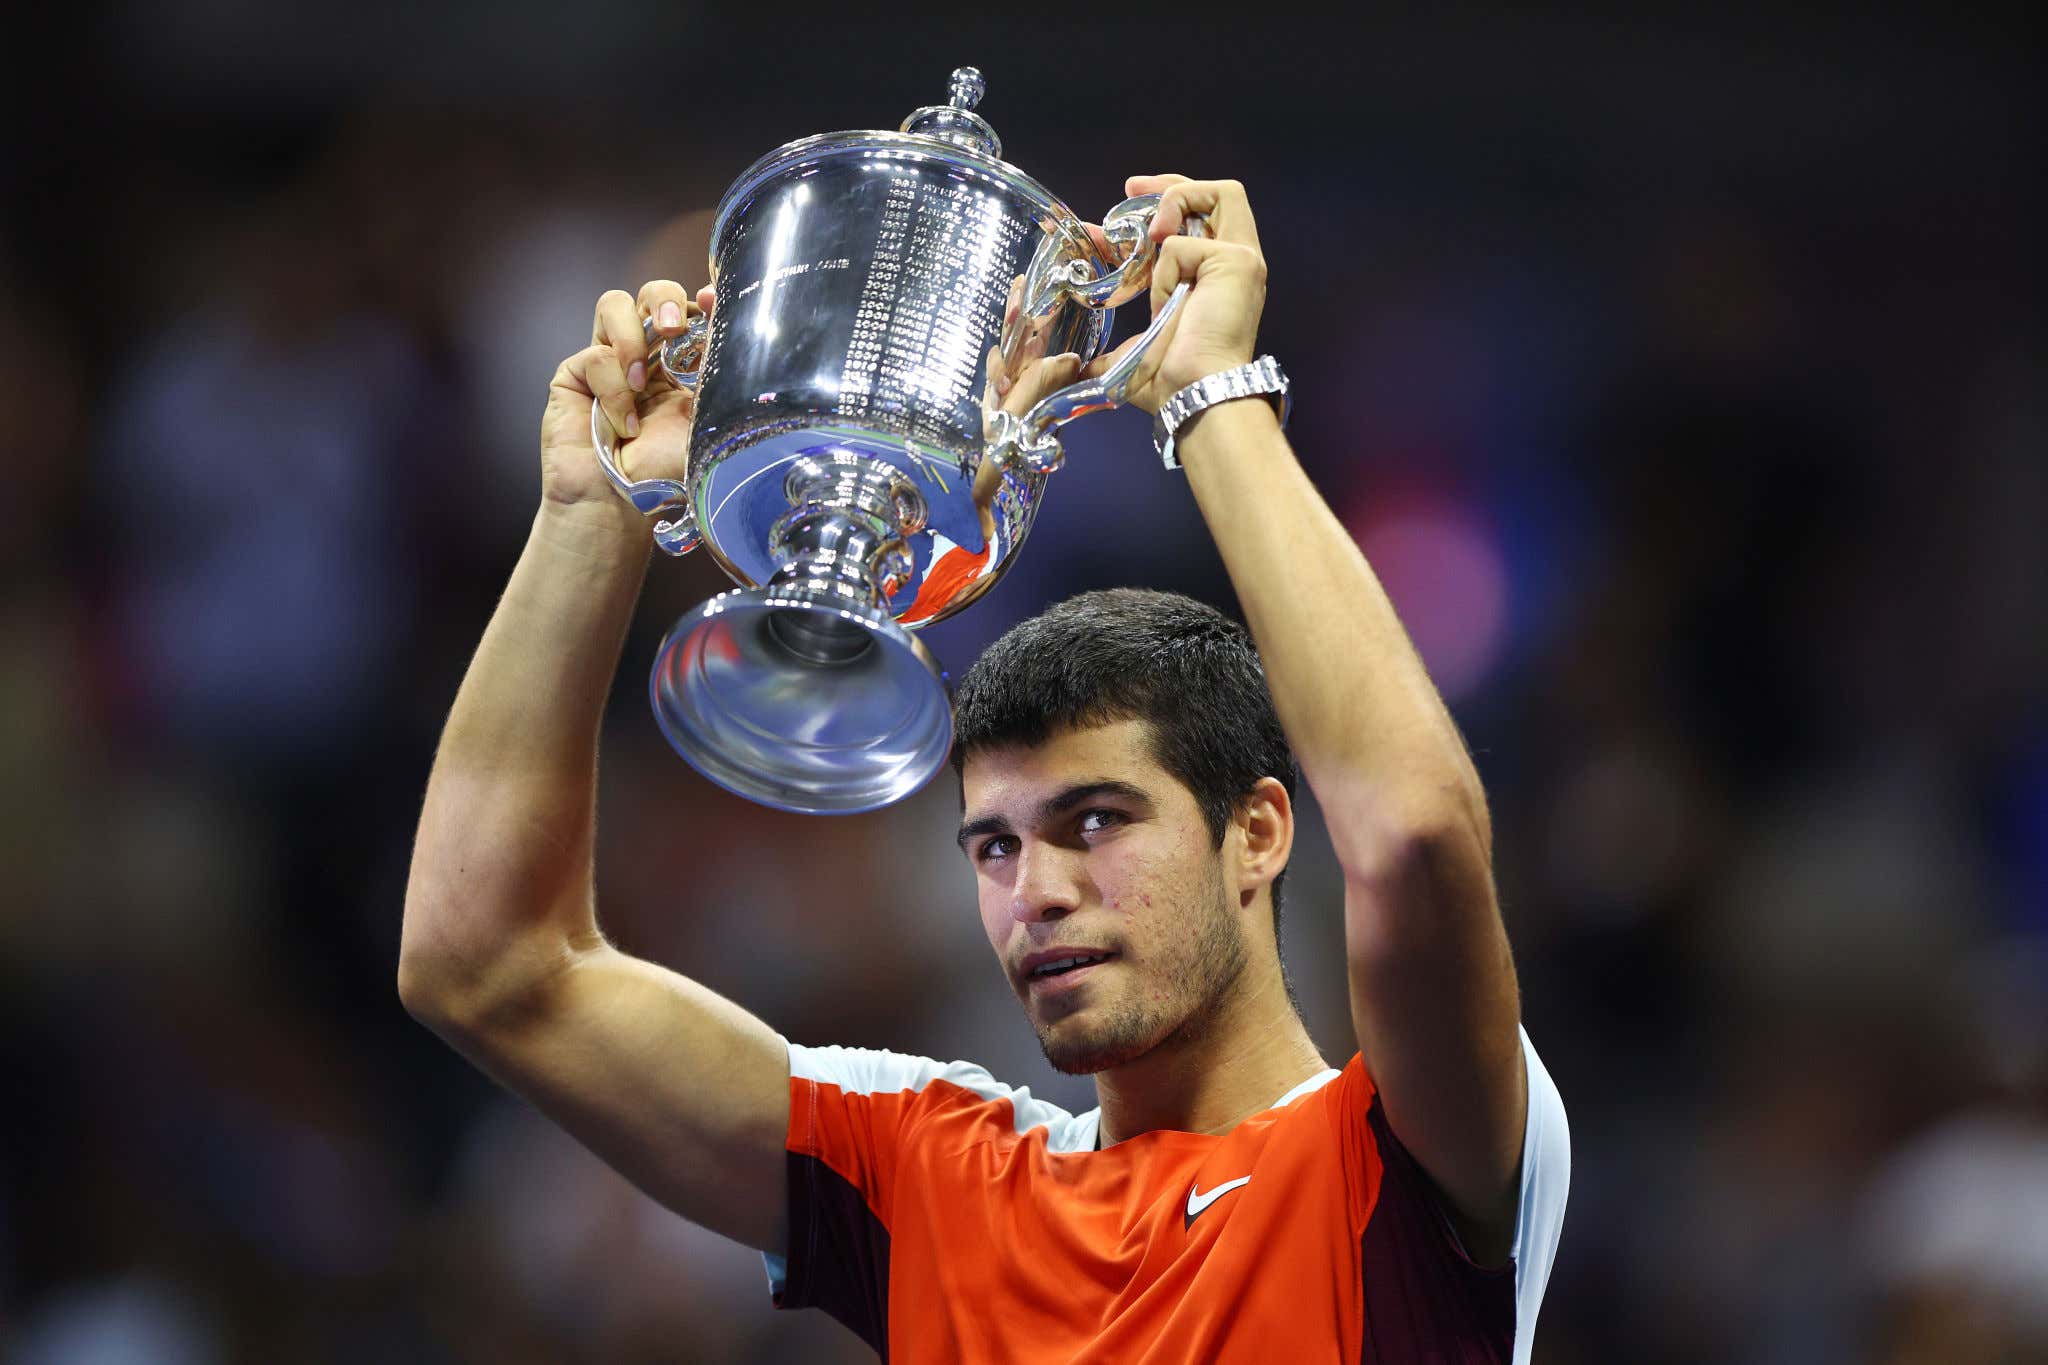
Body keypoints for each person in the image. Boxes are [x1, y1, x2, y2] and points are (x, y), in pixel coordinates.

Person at [400, 174, 1569, 1362]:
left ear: (1258, 834)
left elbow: (1414, 831)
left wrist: (1209, 398)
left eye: (1097, 821)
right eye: (994, 845)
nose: (1035, 894)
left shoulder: (1397, 1154)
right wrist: (587, 512)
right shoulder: (928, 1179)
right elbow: (485, 967)